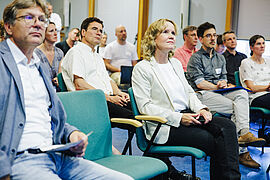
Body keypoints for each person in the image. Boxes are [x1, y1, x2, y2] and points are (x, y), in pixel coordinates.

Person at [0, 1, 133, 180]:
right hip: (23, 158)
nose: (38, 24)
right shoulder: (3, 63)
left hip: (58, 155)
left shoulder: (37, 64)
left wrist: (71, 133)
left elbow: (50, 117)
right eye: (29, 18)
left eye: (42, 19)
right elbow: (79, 83)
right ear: (8, 26)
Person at [132, 18, 241, 180]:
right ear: (153, 37)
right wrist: (179, 118)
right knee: (214, 140)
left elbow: (190, 93)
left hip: (189, 114)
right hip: (164, 125)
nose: (171, 36)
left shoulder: (175, 63)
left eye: (173, 33)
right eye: (165, 32)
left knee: (228, 126)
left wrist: (202, 109)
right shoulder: (143, 68)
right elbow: (145, 107)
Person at [186, 22, 266, 169]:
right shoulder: (195, 58)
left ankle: (244, 134)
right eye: (208, 35)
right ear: (201, 38)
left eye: (214, 35)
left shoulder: (220, 58)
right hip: (202, 94)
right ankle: (241, 151)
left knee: (242, 93)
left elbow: (222, 77)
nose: (212, 38)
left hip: (218, 92)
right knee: (236, 107)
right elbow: (200, 83)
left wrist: (223, 83)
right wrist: (217, 86)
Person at [61, 17, 134, 125]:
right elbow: (79, 84)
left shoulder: (97, 56)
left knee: (139, 108)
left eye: (100, 30)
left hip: (105, 99)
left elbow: (108, 80)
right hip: (91, 102)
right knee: (135, 118)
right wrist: (109, 98)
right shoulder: (76, 52)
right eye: (95, 29)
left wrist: (119, 93)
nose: (99, 33)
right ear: (83, 32)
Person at [240, 35, 270, 110]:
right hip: (256, 96)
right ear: (251, 47)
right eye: (259, 44)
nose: (262, 46)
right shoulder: (246, 62)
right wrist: (267, 88)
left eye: (263, 43)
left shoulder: (268, 61)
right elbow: (251, 87)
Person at [35, 22, 63, 91]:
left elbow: (61, 74)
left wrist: (58, 79)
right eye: (51, 31)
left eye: (56, 30)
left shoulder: (59, 52)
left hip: (58, 92)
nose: (55, 33)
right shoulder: (35, 53)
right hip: (41, 91)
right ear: (44, 34)